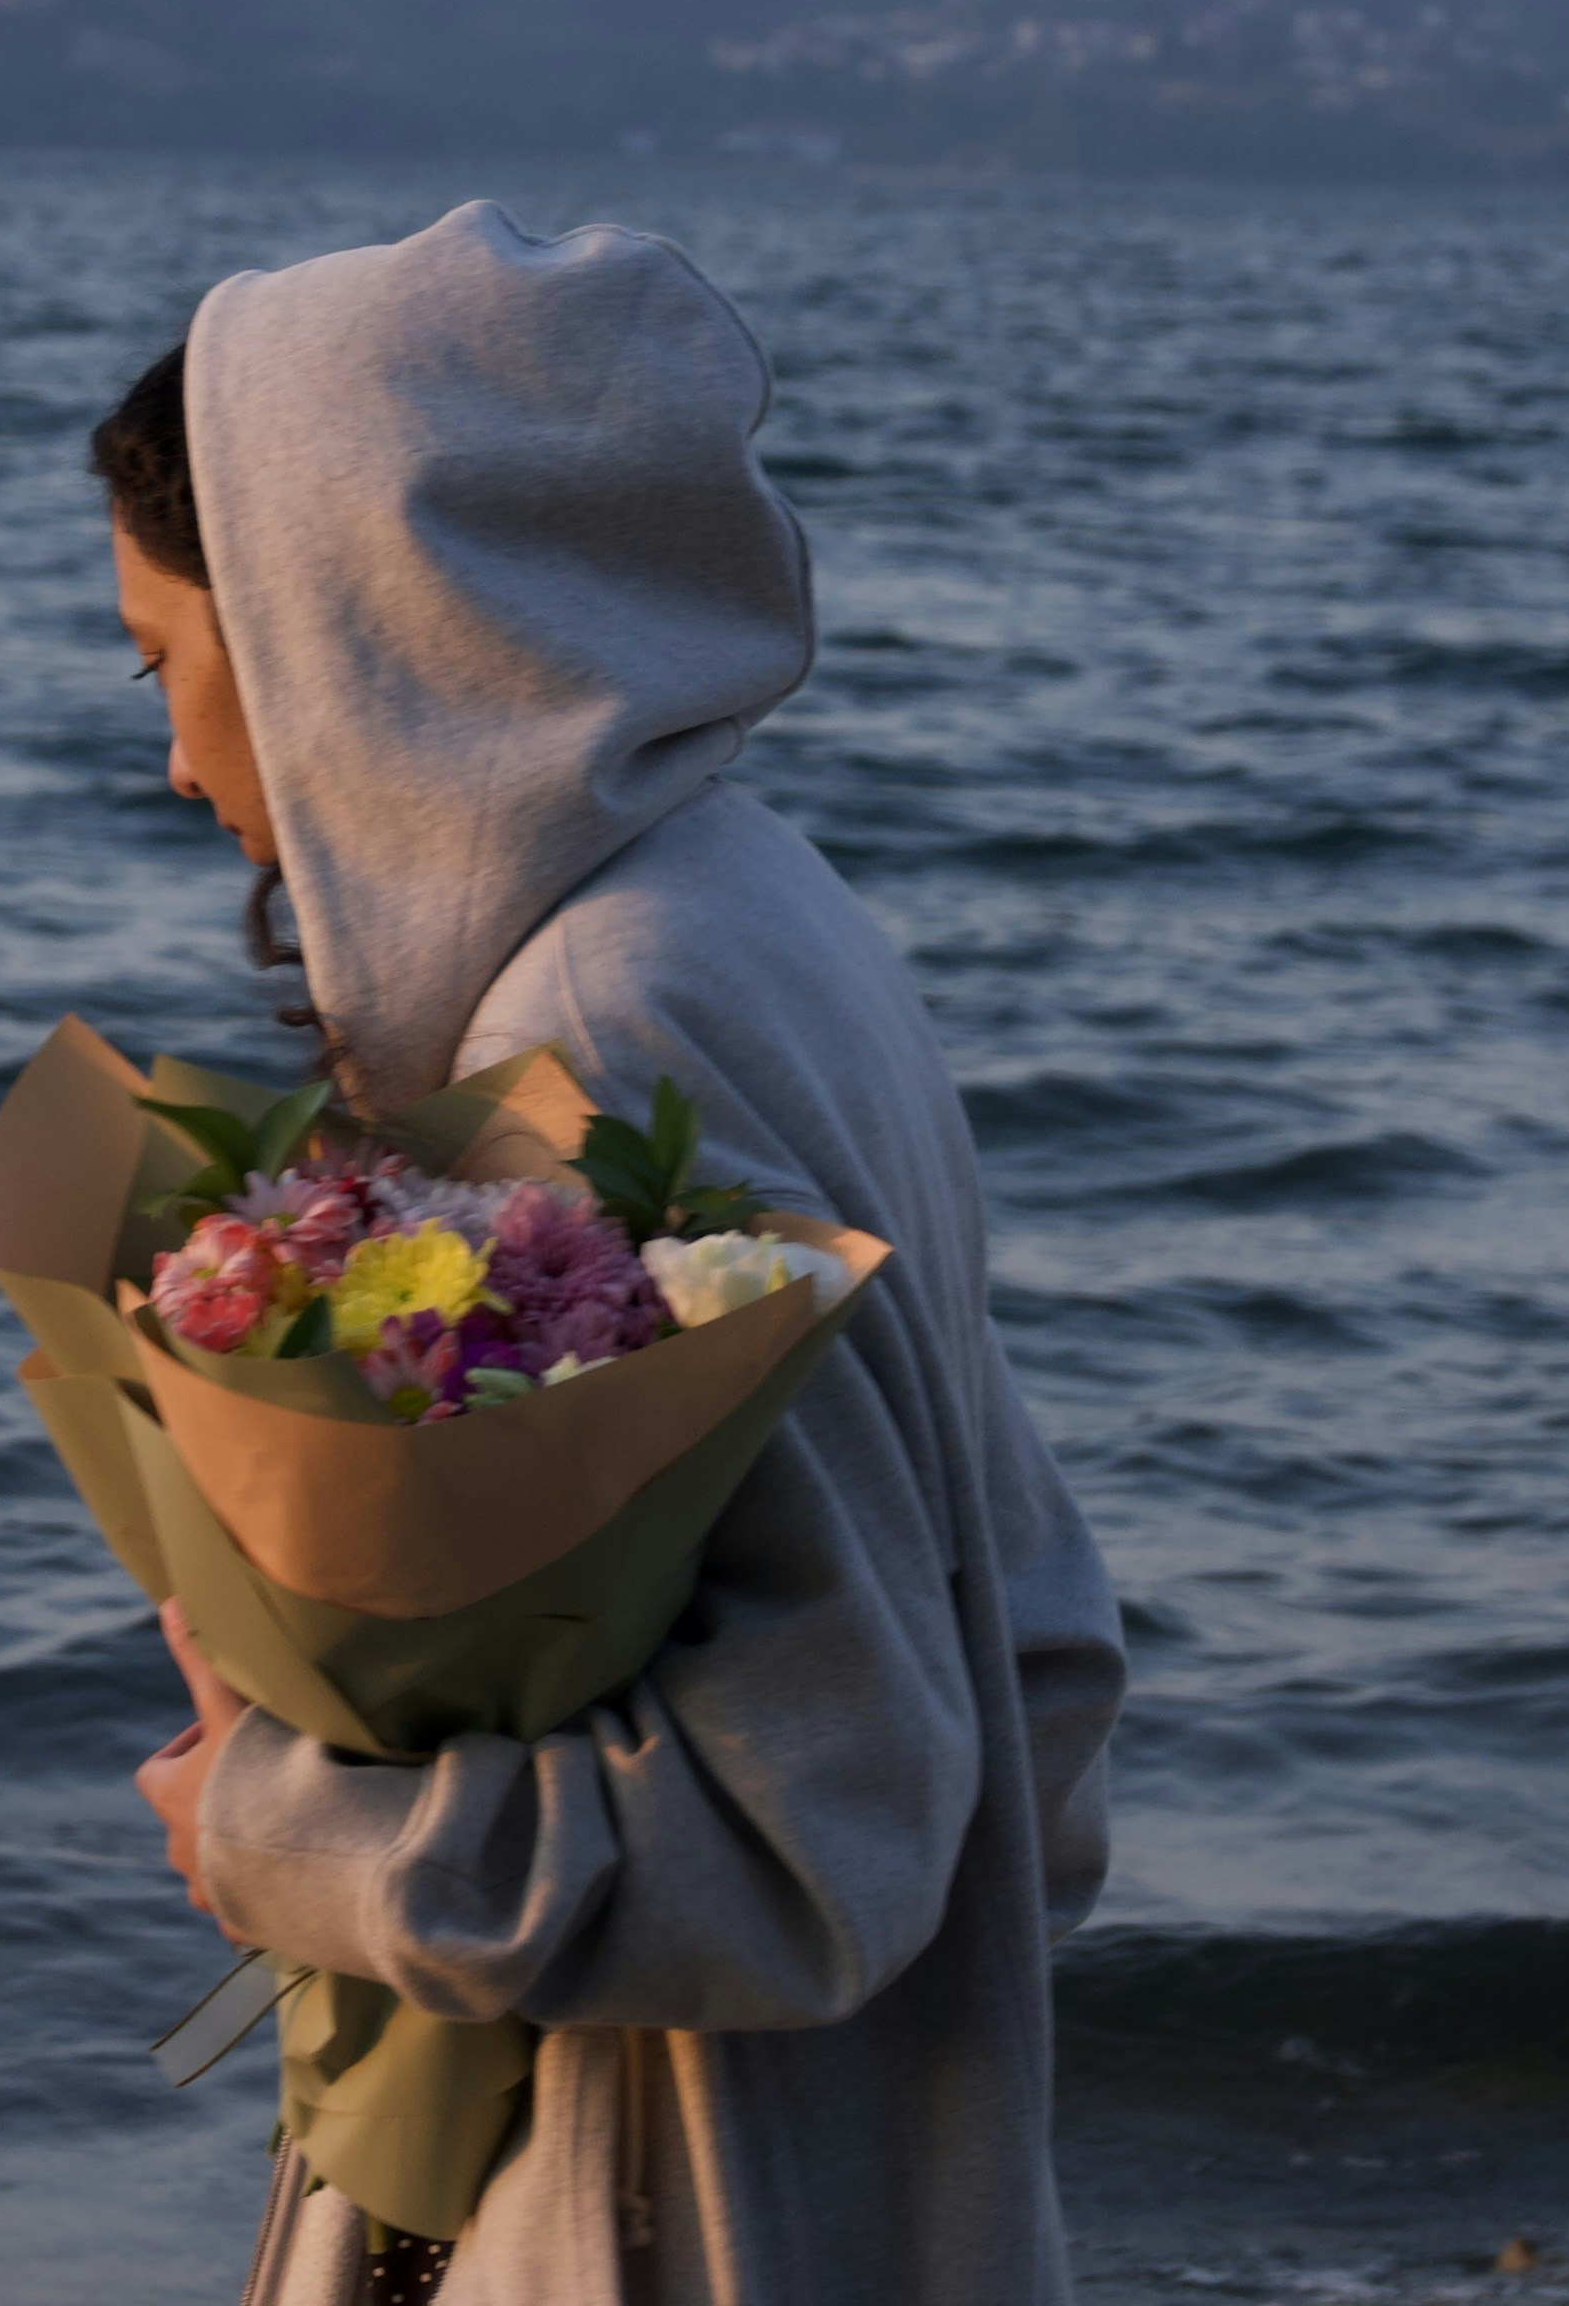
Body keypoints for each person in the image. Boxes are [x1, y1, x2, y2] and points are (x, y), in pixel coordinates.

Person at [88, 201, 1126, 2306]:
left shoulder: (607, 1034)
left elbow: (805, 1839)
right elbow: (1037, 1675)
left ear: (345, 627)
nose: (178, 759)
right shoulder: (760, 915)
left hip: (673, 2205)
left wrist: (277, 1819)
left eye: (174, 668)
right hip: (833, 2171)